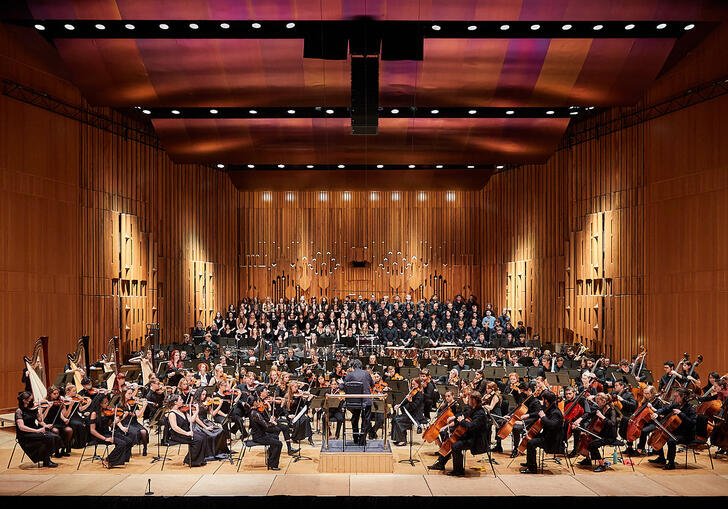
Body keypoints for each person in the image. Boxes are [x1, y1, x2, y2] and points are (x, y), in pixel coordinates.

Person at [427, 390, 489, 476]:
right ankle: (440, 464)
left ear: (474, 401)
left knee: (455, 445)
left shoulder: (480, 413)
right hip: (468, 435)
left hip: (475, 440)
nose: (467, 401)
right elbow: (463, 413)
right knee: (450, 438)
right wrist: (454, 417)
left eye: (469, 399)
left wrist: (462, 421)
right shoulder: (472, 409)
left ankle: (458, 470)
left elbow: (471, 426)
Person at [648, 387, 696, 470]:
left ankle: (671, 463)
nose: (674, 398)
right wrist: (656, 413)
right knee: (659, 435)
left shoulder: (690, 409)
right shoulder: (675, 405)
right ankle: (661, 458)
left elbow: (692, 423)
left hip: (686, 434)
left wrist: (681, 414)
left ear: (683, 397)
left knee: (671, 441)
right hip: (675, 431)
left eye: (676, 396)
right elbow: (664, 409)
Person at [14, 391, 63, 467]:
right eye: (31, 399)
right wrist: (37, 430)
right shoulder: (19, 411)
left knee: (55, 437)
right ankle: (46, 461)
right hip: (25, 434)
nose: (33, 401)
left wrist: (45, 410)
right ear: (24, 401)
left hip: (35, 431)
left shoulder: (33, 409)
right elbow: (21, 427)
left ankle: (47, 458)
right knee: (48, 438)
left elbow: (40, 420)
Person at [520, 390, 564, 473]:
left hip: (552, 440)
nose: (541, 401)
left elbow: (551, 425)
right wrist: (529, 415)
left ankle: (532, 469)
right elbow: (539, 413)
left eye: (542, 399)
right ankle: (530, 463)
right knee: (530, 437)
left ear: (546, 400)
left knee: (531, 442)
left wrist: (543, 417)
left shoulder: (556, 412)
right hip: (547, 435)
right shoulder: (550, 408)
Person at [88, 393, 136, 468]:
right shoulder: (94, 414)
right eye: (105, 403)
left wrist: (119, 419)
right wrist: (105, 439)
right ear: (100, 404)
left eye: (107, 402)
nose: (107, 404)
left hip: (107, 433)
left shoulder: (107, 412)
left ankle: (121, 460)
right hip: (98, 436)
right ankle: (108, 460)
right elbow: (92, 430)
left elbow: (111, 425)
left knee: (129, 441)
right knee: (122, 443)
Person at [573, 392, 617, 472]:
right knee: (586, 438)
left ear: (604, 401)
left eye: (598, 401)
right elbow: (589, 414)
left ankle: (602, 465)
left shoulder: (612, 411)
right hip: (602, 433)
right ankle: (588, 459)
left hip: (610, 436)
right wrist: (579, 420)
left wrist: (602, 417)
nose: (597, 403)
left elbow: (613, 424)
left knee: (592, 445)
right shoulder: (600, 409)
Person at [165, 394, 211, 467]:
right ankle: (192, 461)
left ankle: (198, 459)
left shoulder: (183, 411)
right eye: (180, 400)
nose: (183, 401)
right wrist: (186, 433)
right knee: (198, 440)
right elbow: (174, 427)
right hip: (178, 434)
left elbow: (191, 420)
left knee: (204, 436)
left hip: (187, 432)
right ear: (175, 402)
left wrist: (197, 411)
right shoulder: (172, 413)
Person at [340, 359, 374, 446]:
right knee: (366, 420)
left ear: (353, 367)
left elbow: (343, 387)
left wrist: (340, 383)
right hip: (366, 400)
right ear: (361, 366)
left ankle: (355, 438)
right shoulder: (366, 373)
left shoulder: (350, 374)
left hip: (354, 401)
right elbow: (372, 384)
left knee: (355, 418)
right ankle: (362, 440)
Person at [249, 387, 283, 470]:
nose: (260, 402)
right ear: (255, 403)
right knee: (279, 444)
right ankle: (273, 465)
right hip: (259, 436)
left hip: (262, 434)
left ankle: (270, 460)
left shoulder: (256, 411)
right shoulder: (255, 413)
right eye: (258, 401)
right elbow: (266, 425)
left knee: (276, 437)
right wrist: (272, 422)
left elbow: (264, 422)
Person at [391, 378, 426, 446]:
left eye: (414, 384)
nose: (412, 386)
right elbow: (405, 401)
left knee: (398, 420)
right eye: (411, 384)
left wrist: (410, 401)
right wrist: (399, 405)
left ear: (418, 385)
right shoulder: (412, 392)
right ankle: (399, 439)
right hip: (409, 414)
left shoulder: (419, 394)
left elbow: (414, 407)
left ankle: (403, 441)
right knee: (394, 419)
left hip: (415, 416)